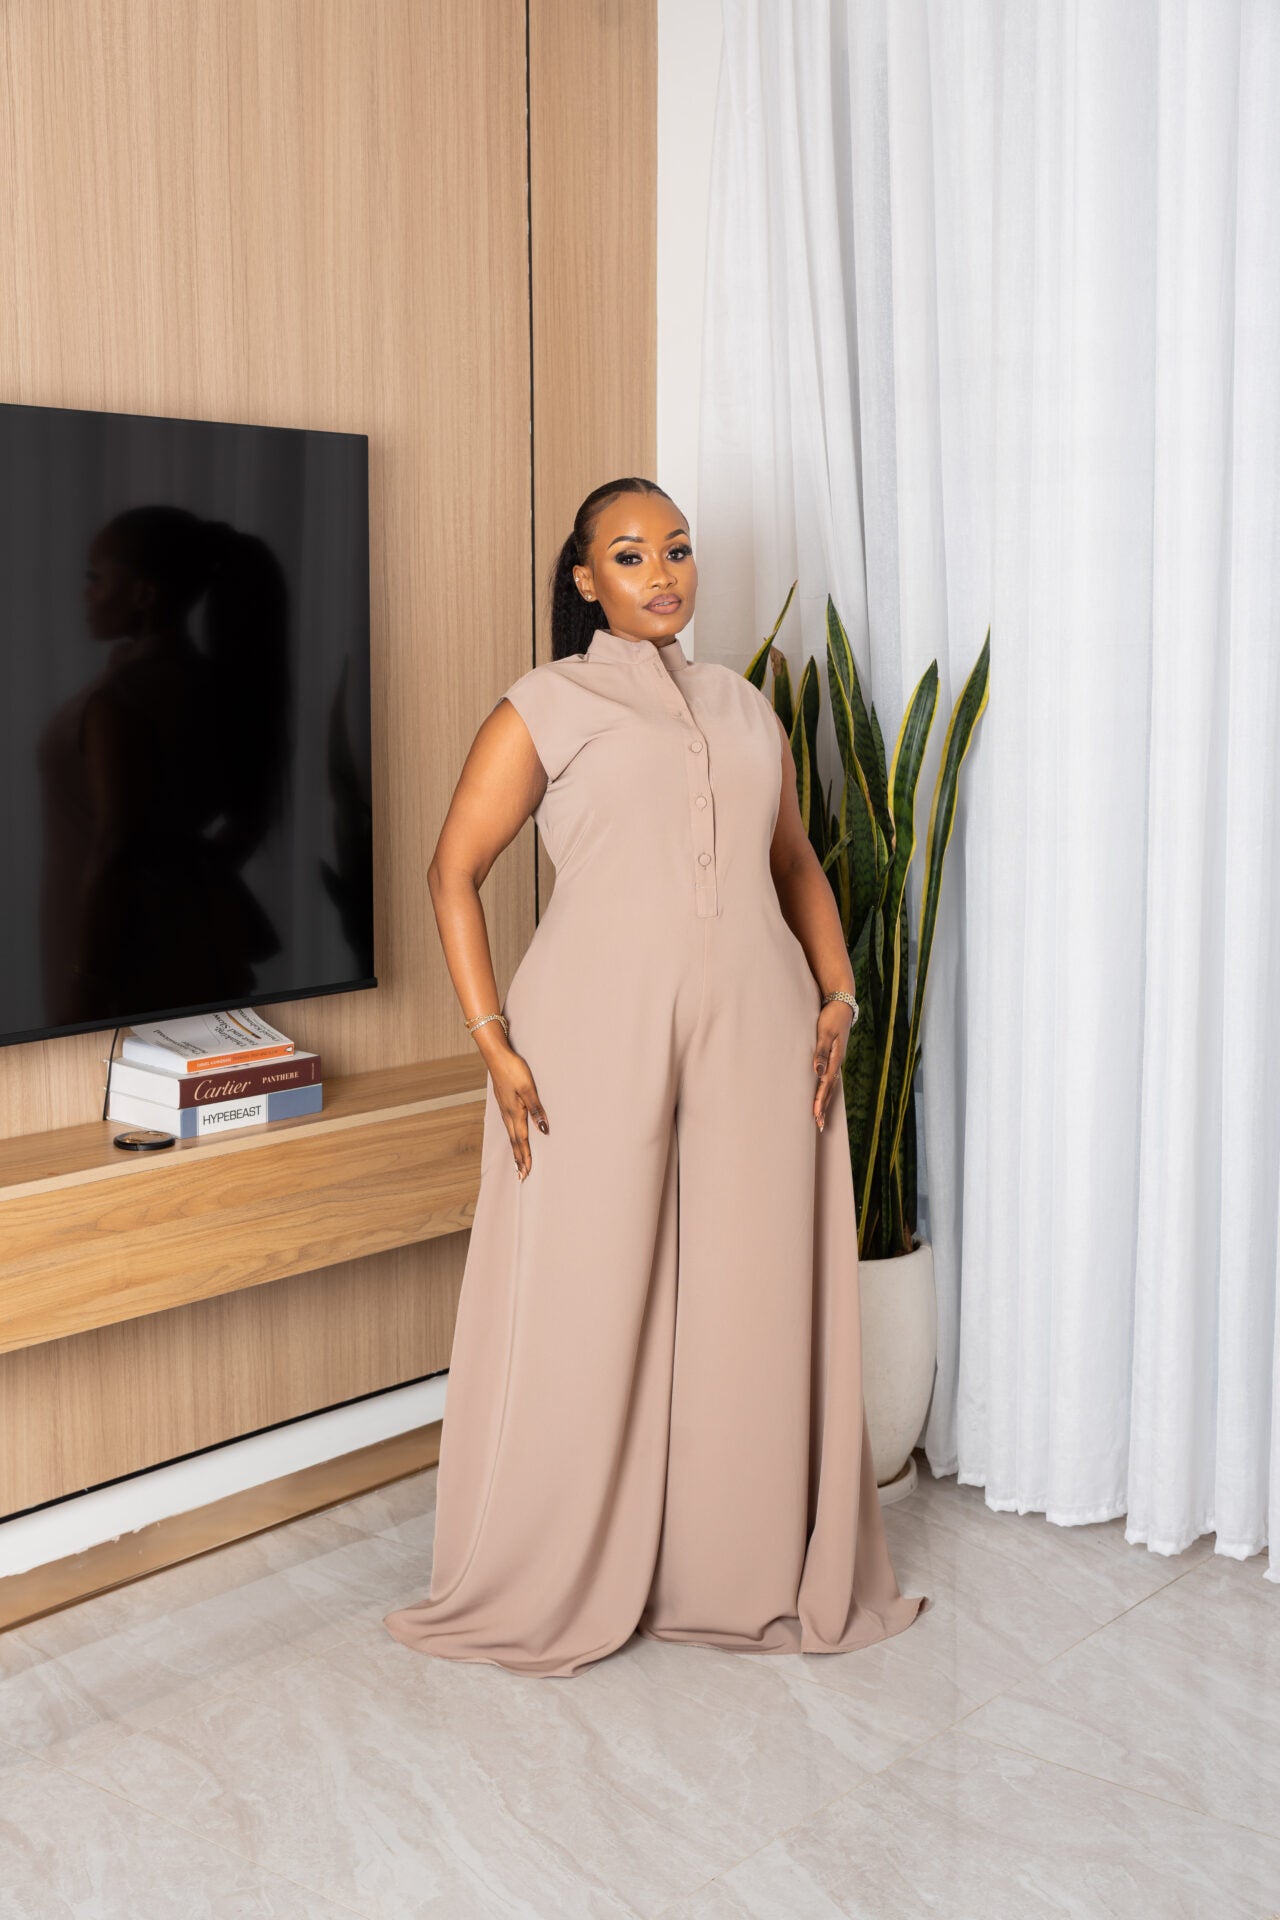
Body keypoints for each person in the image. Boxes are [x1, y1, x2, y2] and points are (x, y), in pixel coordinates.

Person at [383, 477, 927, 1677]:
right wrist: (490, 1037)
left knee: (745, 1287)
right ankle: (552, 1556)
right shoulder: (543, 704)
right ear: (584, 581)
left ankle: (727, 1565)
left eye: (675, 550)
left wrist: (838, 991)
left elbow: (793, 860)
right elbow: (450, 869)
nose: (661, 572)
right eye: (628, 555)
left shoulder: (742, 707)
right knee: (585, 1283)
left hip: (760, 1025)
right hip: (588, 1027)